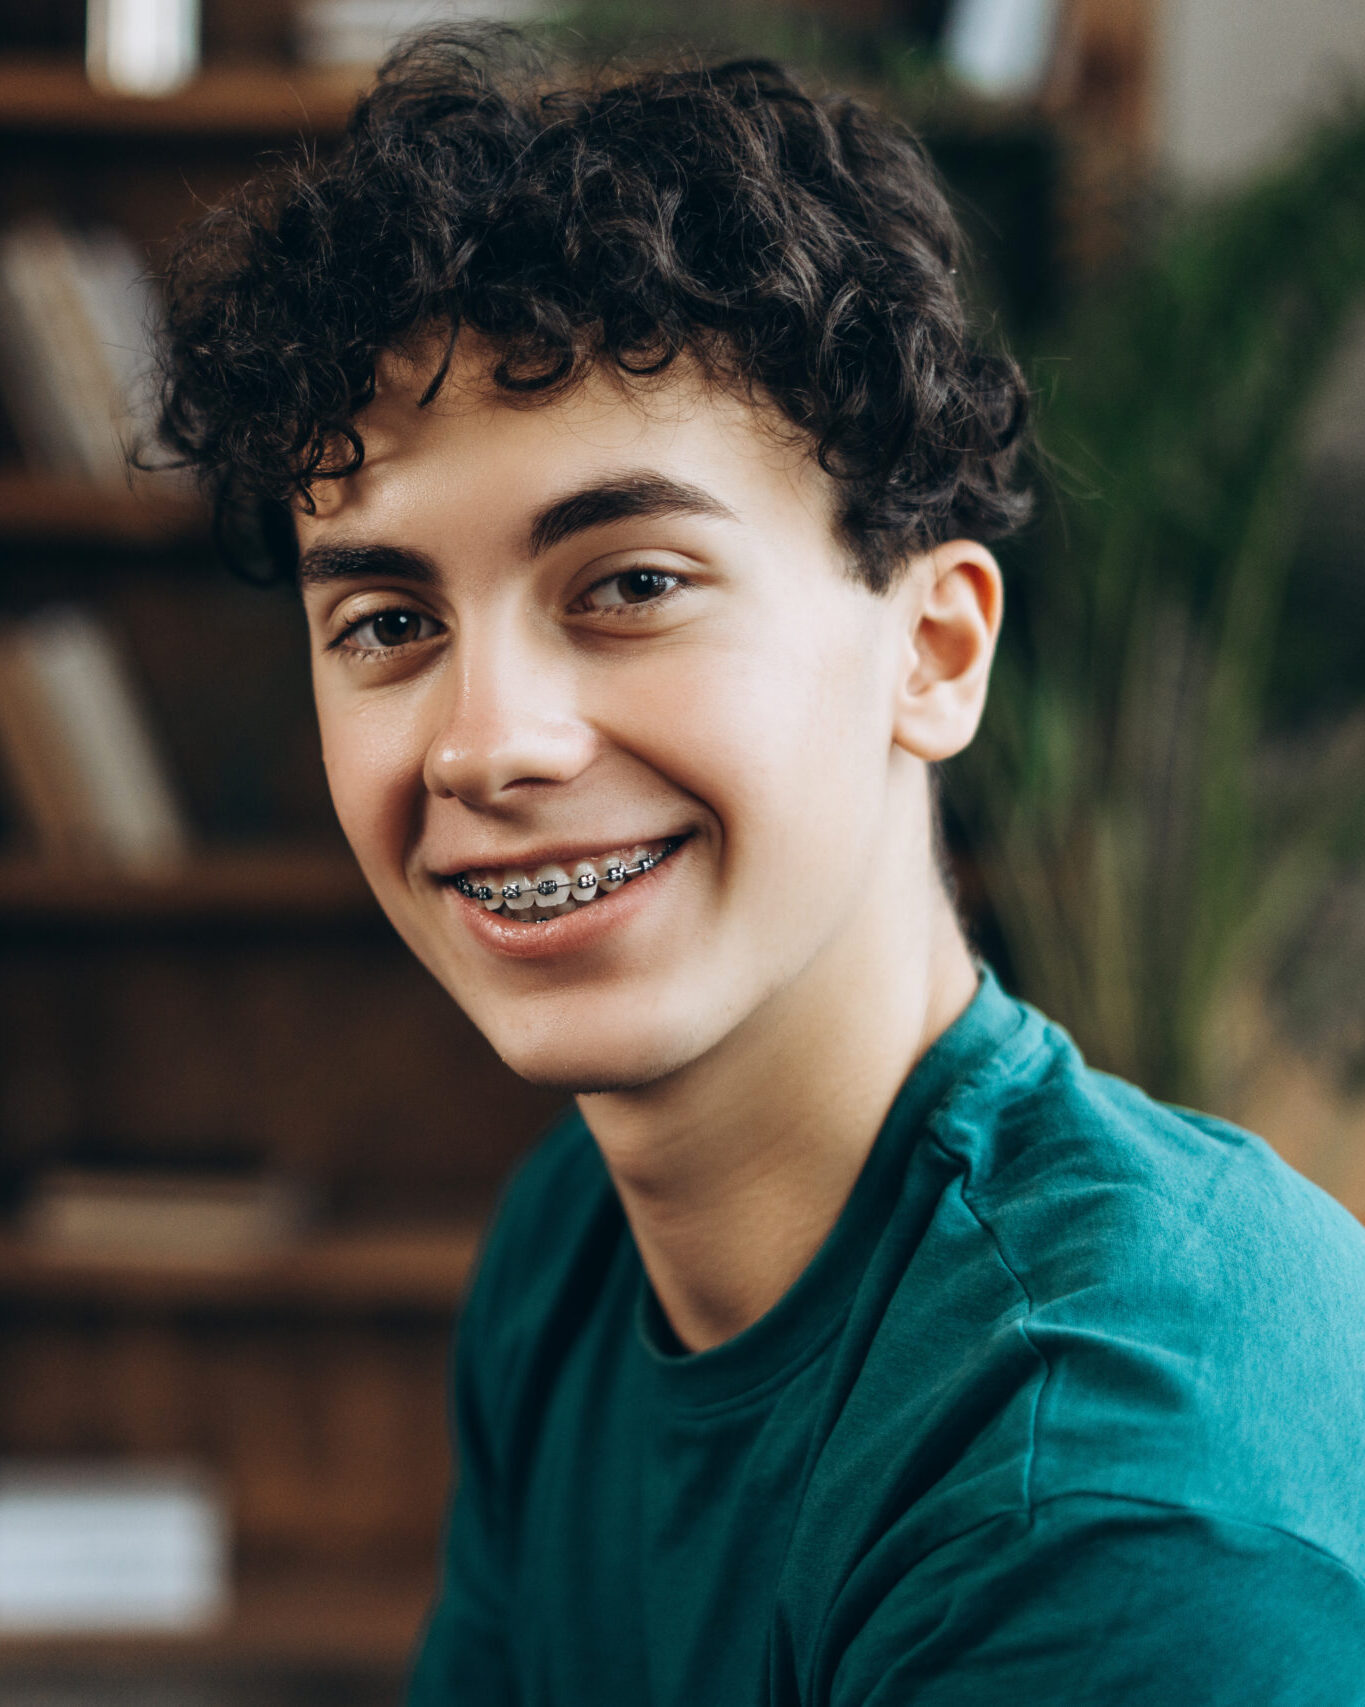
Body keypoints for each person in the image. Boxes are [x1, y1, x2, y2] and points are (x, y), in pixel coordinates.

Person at [152, 26, 1365, 1704]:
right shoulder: (574, 1249)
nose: (484, 745)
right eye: (386, 621)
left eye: (631, 585)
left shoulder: (1111, 1489)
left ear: (932, 651)